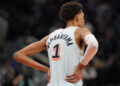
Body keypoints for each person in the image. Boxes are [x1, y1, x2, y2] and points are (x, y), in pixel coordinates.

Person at [14, 2, 98, 86]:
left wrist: (46, 69)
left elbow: (18, 55)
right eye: (82, 17)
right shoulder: (80, 31)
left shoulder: (51, 36)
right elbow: (94, 45)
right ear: (77, 17)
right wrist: (81, 67)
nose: (84, 20)